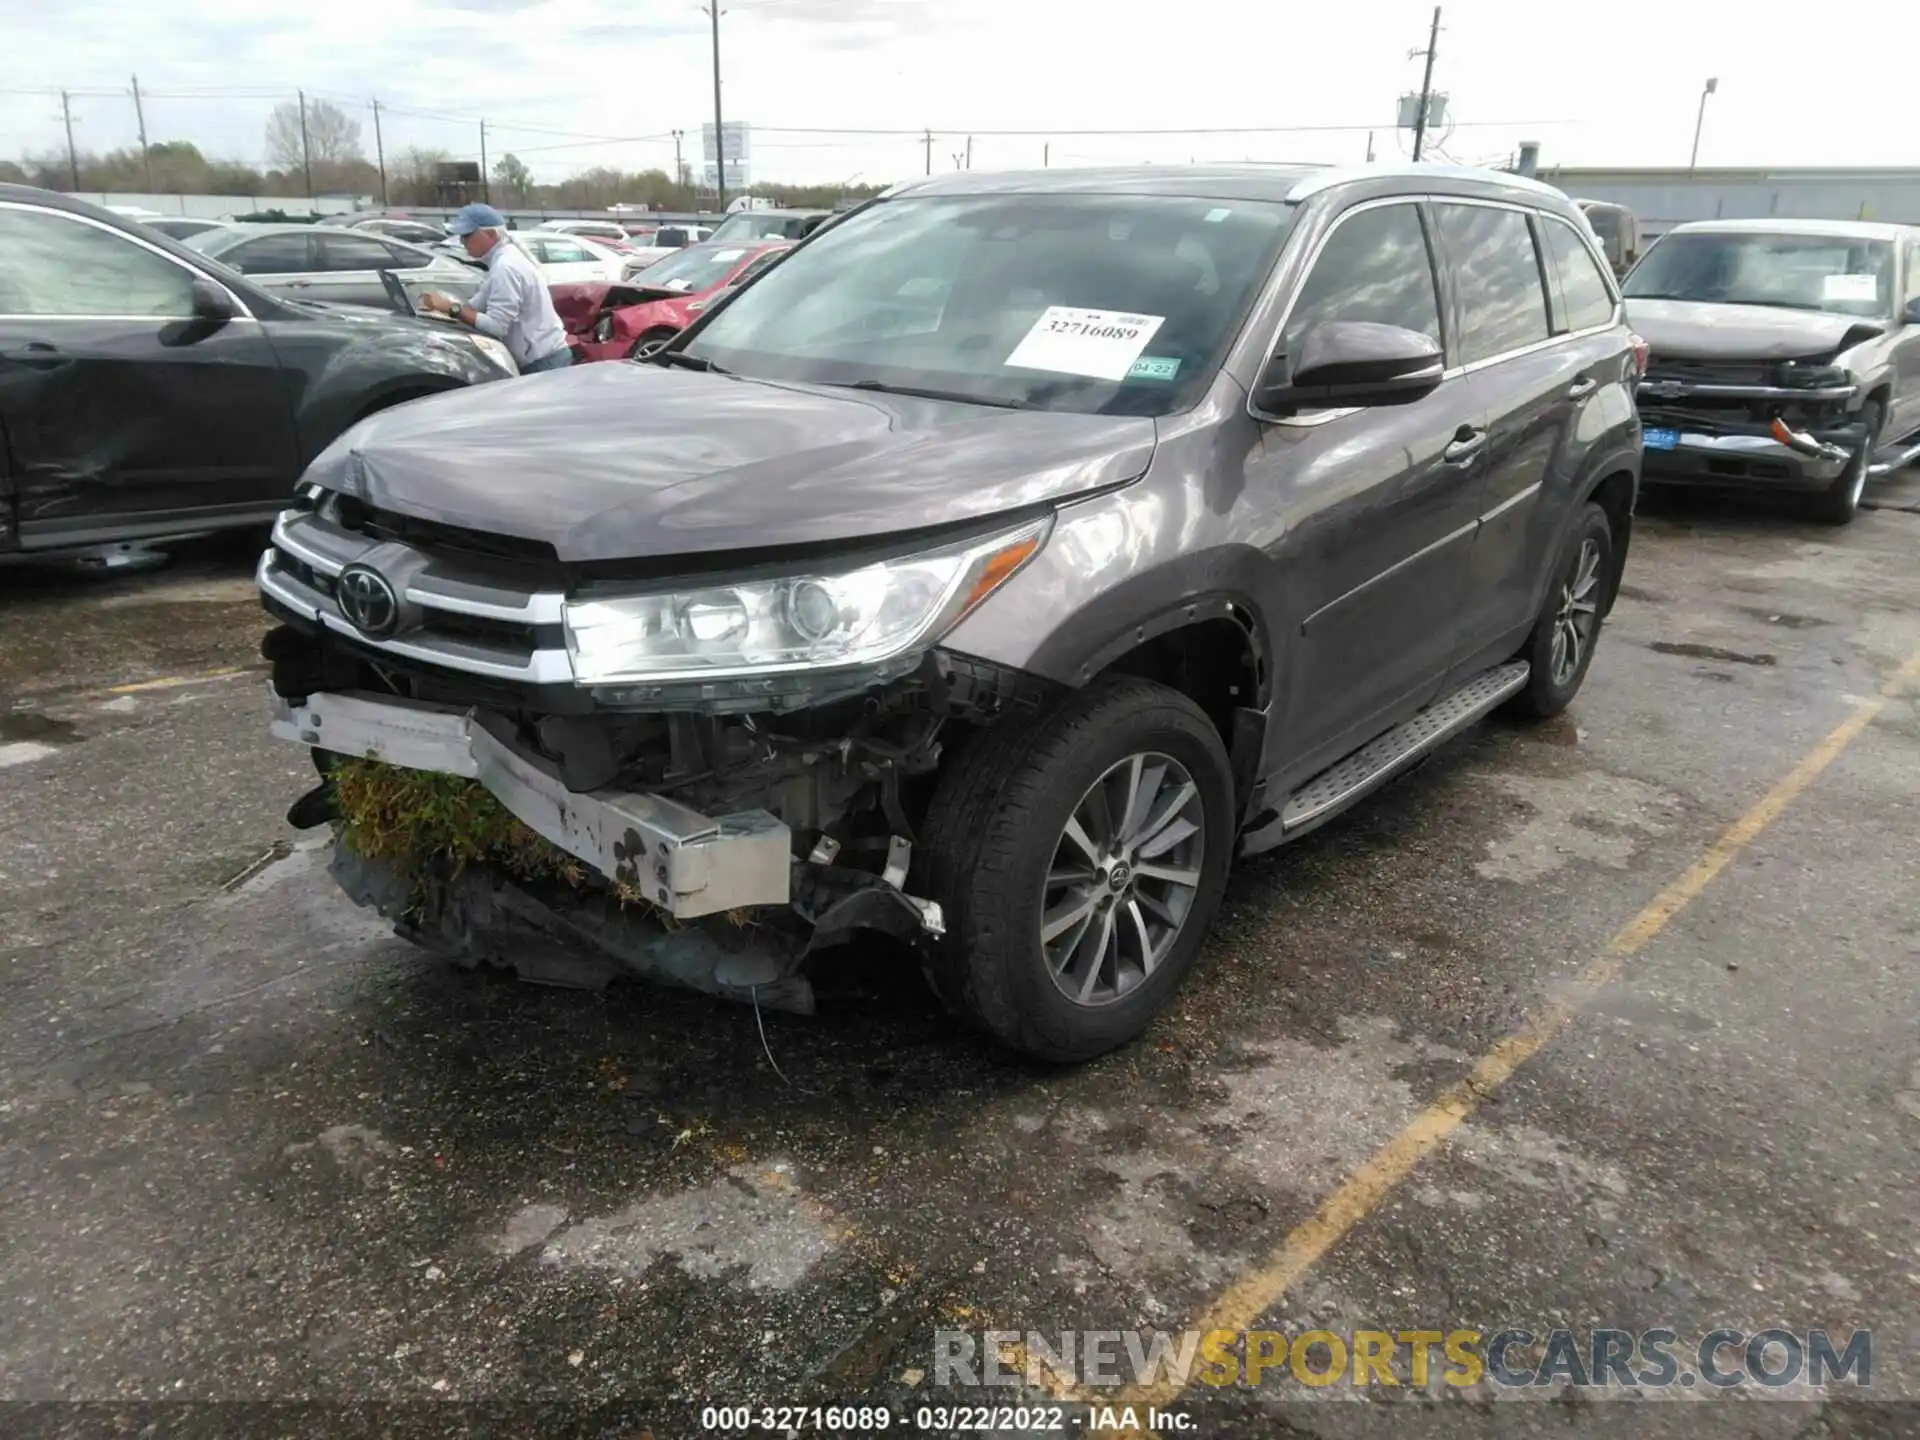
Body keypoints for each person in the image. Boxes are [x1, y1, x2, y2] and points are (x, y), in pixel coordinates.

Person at [417, 203, 573, 374]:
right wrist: (442, 309)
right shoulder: (503, 260)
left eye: (467, 235)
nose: (462, 242)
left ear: (491, 234)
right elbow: (475, 306)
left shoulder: (506, 267)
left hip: (543, 362)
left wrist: (451, 308)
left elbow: (496, 326)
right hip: (543, 358)